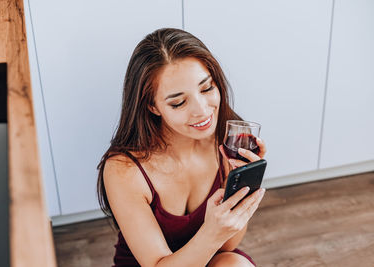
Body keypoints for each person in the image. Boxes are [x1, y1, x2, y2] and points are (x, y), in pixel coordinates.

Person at [97, 28, 267, 267]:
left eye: (207, 88)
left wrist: (242, 188)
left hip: (208, 256)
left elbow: (226, 246)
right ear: (152, 107)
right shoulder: (123, 169)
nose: (202, 110)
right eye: (178, 102)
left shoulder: (227, 142)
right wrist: (211, 231)